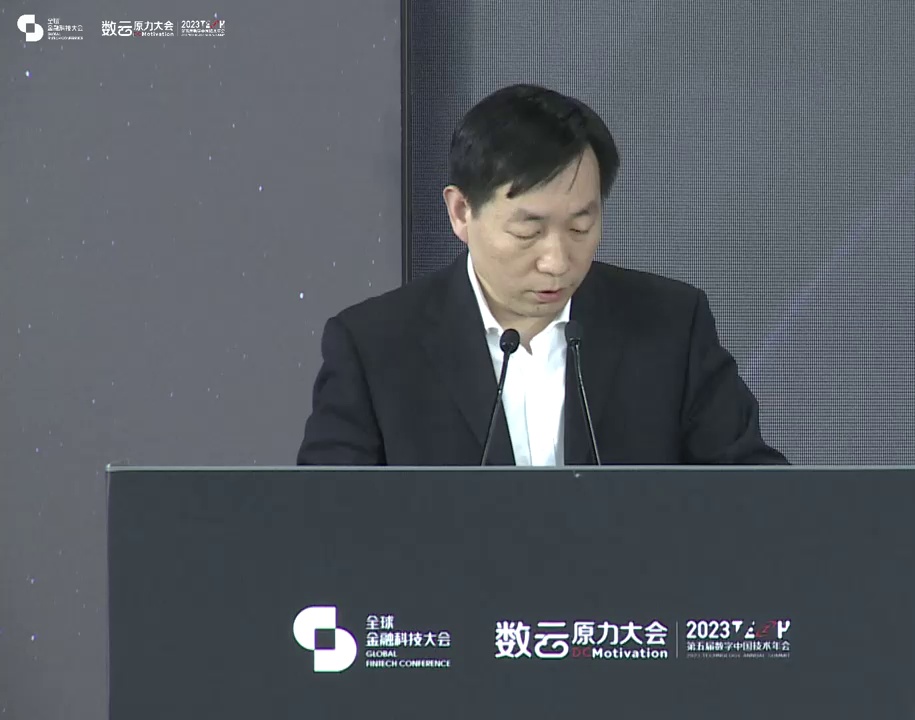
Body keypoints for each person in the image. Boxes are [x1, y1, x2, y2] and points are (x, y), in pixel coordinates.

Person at [296, 83, 787, 466]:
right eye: (528, 231)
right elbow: (327, 523)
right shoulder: (374, 347)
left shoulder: (672, 325)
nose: (557, 261)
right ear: (461, 212)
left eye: (580, 227)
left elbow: (755, 497)